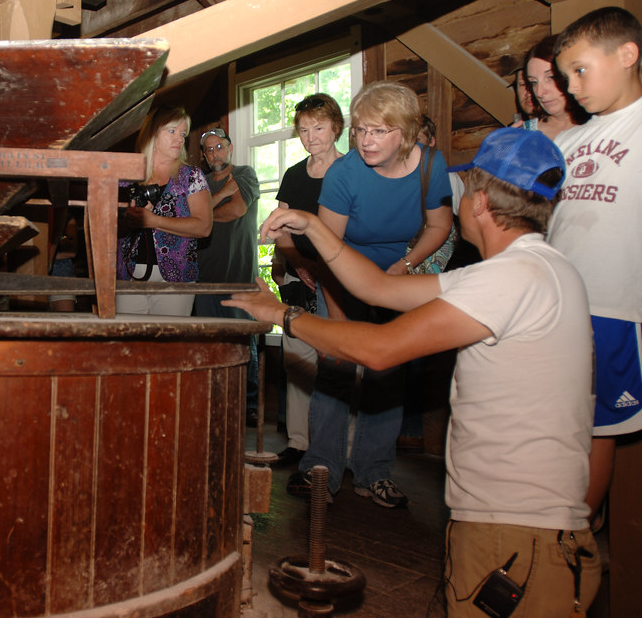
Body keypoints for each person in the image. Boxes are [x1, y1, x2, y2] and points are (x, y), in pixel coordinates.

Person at [226, 127, 600, 617]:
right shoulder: (530, 268)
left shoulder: (512, 278)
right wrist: (314, 227)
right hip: (519, 529)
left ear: (481, 202)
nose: (453, 201)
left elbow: (381, 349)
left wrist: (282, 316)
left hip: (515, 533)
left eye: (461, 191)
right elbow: (380, 289)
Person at [288, 80, 453, 508]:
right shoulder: (345, 173)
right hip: (341, 271)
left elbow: (439, 226)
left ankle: (374, 472)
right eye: (361, 130)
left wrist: (408, 266)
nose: (366, 140)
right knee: (337, 364)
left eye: (379, 131)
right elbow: (328, 248)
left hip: (399, 270)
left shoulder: (431, 165)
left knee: (388, 369)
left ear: (406, 131)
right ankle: (320, 469)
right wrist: (338, 313)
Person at [550, 6, 642, 531]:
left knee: (596, 430)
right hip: (560, 305)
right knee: (557, 425)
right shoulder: (568, 142)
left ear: (627, 55)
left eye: (580, 71)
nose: (571, 88)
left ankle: (573, 540)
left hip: (614, 308)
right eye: (565, 77)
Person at [272, 94, 345, 465]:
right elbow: (280, 226)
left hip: (342, 280)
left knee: (339, 361)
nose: (311, 136)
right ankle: (299, 442)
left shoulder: (353, 171)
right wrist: (298, 263)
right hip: (300, 277)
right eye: (303, 129)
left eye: (318, 127)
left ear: (335, 126)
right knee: (297, 359)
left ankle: (339, 449)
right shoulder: (294, 175)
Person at [116, 105, 212, 316]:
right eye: (172, 131)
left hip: (177, 276)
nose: (180, 139)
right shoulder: (126, 175)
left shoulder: (191, 176)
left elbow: (204, 227)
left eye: (183, 134)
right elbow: (105, 225)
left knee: (170, 346)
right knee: (129, 345)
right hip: (128, 274)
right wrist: (128, 220)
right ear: (152, 133)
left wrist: (154, 220)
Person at [194, 126, 261, 426]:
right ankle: (218, 401)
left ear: (230, 148)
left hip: (239, 274)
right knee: (211, 343)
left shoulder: (245, 175)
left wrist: (204, 216)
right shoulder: (200, 182)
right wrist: (219, 196)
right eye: (209, 150)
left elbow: (237, 210)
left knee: (243, 341)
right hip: (205, 277)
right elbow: (188, 218)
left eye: (219, 147)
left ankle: (249, 404)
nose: (214, 153)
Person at [521, 34, 589, 140]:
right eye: (534, 82)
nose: (539, 92)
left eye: (551, 78)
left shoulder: (601, 126)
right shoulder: (525, 135)